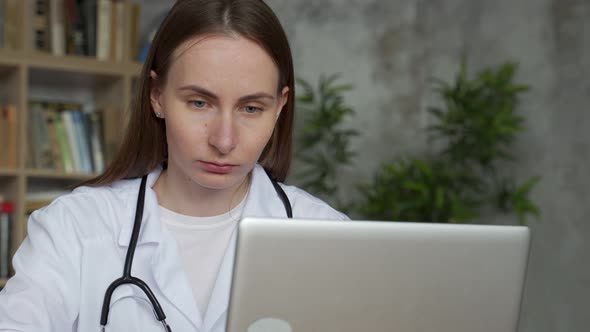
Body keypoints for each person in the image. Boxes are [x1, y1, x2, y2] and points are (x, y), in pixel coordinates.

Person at [0, 0, 347, 331]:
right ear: (157, 96)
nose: (224, 140)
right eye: (199, 103)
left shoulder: (331, 238)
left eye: (251, 108)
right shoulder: (73, 227)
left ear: (280, 106)